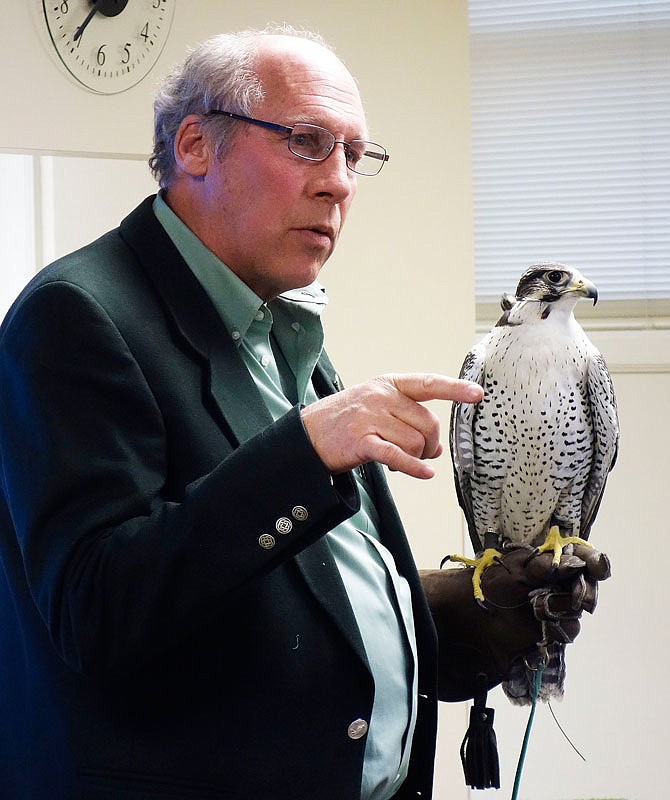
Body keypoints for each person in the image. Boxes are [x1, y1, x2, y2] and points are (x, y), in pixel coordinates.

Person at [0, 26, 609, 800]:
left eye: (355, 155)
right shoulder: (76, 314)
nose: (340, 182)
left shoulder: (278, 325)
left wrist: (446, 614)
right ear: (194, 145)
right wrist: (306, 450)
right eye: (308, 142)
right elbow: (97, 612)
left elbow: (277, 590)